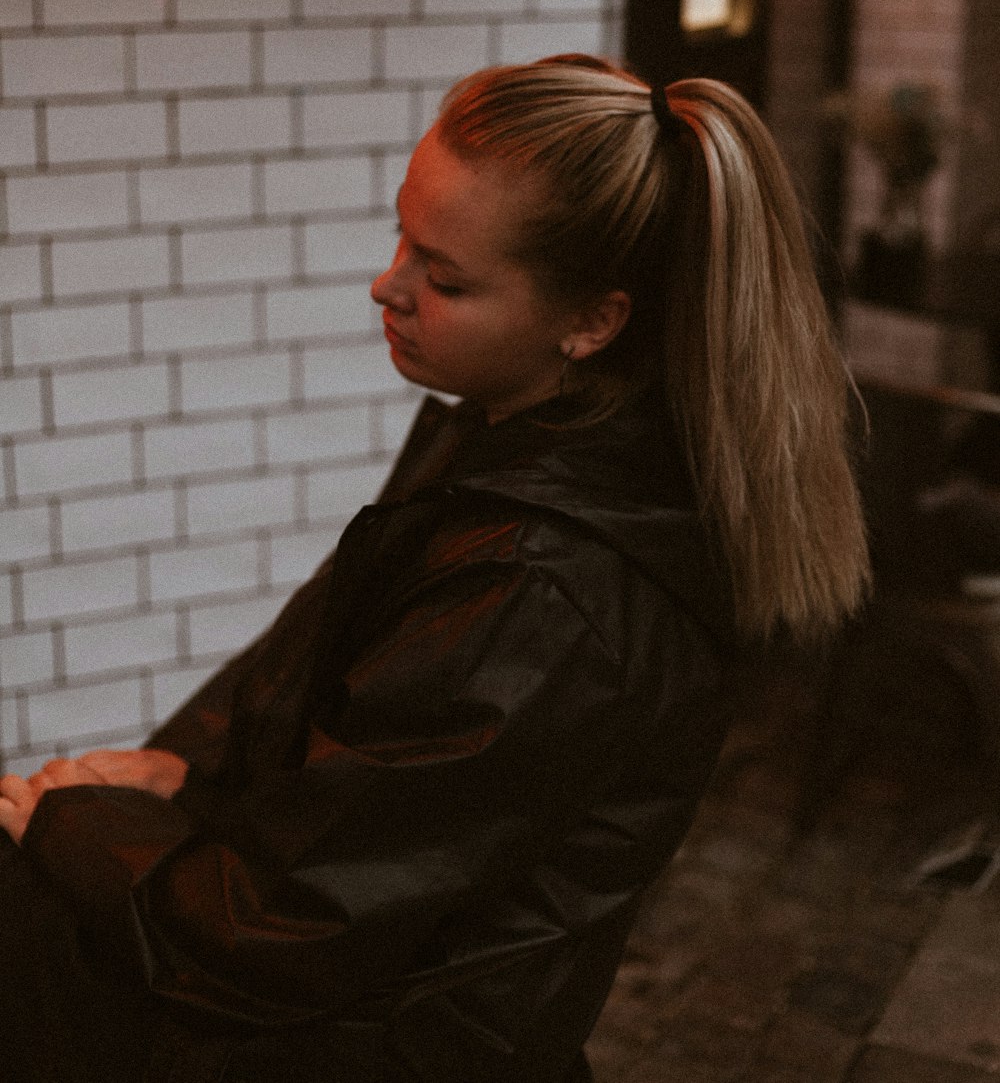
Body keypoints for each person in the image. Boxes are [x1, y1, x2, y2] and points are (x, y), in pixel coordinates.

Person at [0, 55, 869, 1083]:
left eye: (444, 276)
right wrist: (190, 775)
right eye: (401, 236)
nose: (388, 284)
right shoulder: (512, 450)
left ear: (591, 321)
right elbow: (341, 717)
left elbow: (278, 929)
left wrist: (75, 822)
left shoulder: (544, 590)